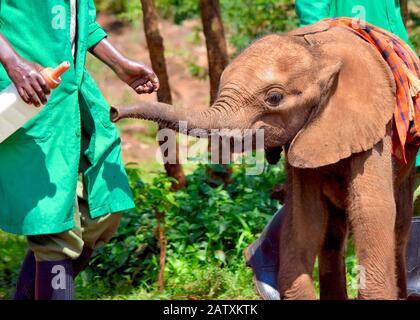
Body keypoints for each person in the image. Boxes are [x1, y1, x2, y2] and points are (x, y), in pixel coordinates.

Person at [245, 0, 420, 300]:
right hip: (342, 70)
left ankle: (399, 290)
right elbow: (311, 12)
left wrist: (404, 63)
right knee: (326, 207)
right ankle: (272, 253)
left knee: (397, 213)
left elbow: (392, 19)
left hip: (391, 69)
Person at [0, 0, 159, 300]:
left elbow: (79, 22)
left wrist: (120, 64)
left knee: (103, 207)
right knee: (54, 225)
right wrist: (13, 63)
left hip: (75, 94)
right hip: (27, 99)